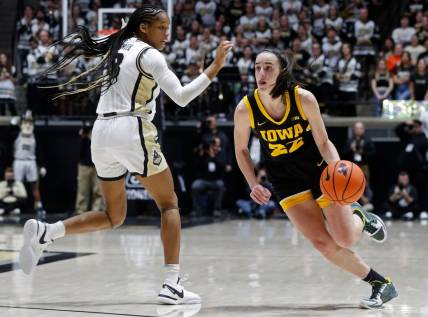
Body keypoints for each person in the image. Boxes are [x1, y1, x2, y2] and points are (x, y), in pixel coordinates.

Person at [18, 4, 233, 305]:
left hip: (101, 131)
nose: (167, 34)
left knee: (113, 215)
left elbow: (108, 36)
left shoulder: (116, 44)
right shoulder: (150, 55)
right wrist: (215, 67)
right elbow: (182, 98)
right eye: (162, 27)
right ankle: (172, 283)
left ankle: (46, 232)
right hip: (131, 127)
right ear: (144, 27)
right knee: (169, 204)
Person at [233, 50, 398, 309]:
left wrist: (337, 170)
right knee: (322, 243)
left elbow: (323, 141)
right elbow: (241, 149)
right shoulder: (245, 108)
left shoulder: (303, 99)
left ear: (282, 71)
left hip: (318, 172)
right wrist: (253, 183)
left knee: (345, 239)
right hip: (285, 180)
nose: (261, 74)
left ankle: (361, 217)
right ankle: (381, 284)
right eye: (257, 68)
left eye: (268, 67)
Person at [75, 127, 103, 214]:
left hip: (98, 165)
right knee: (83, 190)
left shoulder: (101, 131)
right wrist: (83, 135)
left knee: (98, 190)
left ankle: (97, 212)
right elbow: (78, 149)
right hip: (84, 165)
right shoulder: (83, 134)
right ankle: (80, 211)